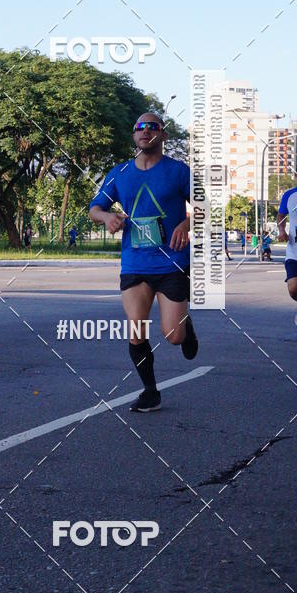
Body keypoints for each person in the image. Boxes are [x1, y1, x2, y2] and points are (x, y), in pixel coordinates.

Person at [89, 111, 198, 412]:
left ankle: (185, 328)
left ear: (162, 135)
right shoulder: (119, 173)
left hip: (172, 261)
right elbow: (95, 208)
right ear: (134, 135)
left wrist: (186, 225)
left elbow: (205, 205)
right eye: (139, 127)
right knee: (136, 331)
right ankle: (150, 391)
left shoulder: (178, 171)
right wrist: (107, 216)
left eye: (152, 127)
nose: (145, 131)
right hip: (135, 263)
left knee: (173, 336)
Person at [276, 185, 297, 324]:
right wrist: (282, 231)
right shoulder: (289, 195)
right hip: (294, 251)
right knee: (294, 288)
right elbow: (281, 216)